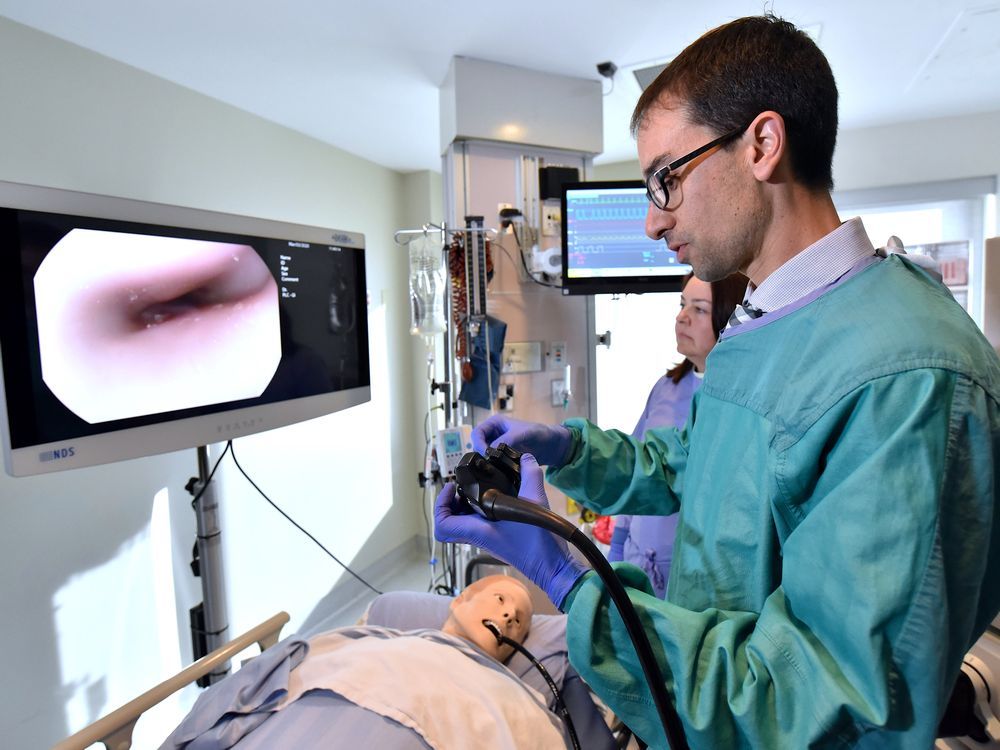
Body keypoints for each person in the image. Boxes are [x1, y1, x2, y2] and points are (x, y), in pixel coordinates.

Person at [436, 14, 1000, 749]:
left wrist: (579, 586)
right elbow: (707, 468)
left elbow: (819, 705)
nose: (649, 222)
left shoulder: (905, 380)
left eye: (665, 178)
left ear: (762, 145)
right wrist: (572, 452)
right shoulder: (766, 322)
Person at [160, 575, 575, 749]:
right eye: (501, 599)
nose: (508, 616)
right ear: (463, 596)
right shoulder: (368, 640)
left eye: (520, 622)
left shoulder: (514, 698)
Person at [609, 272, 745, 598]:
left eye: (698, 309)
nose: (681, 317)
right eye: (682, 304)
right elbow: (635, 470)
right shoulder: (667, 388)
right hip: (639, 564)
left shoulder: (741, 399)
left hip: (700, 582)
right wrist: (616, 547)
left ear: (730, 318)